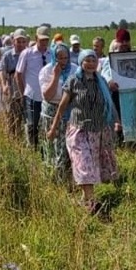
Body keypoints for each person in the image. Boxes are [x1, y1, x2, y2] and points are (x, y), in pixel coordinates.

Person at [46, 50, 121, 215]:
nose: (91, 64)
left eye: (93, 61)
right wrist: (53, 128)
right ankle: (92, 203)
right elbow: (62, 106)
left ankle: (85, 199)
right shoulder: (74, 81)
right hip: (78, 131)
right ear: (81, 62)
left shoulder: (101, 81)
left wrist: (116, 121)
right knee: (84, 164)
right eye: (87, 60)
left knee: (92, 166)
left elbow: (109, 103)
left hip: (98, 131)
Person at [39, 41, 77, 181]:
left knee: (67, 144)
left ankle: (66, 175)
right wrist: (56, 76)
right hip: (51, 110)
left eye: (66, 57)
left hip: (69, 110)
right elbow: (47, 95)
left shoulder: (74, 70)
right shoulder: (46, 70)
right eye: (60, 58)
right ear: (54, 57)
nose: (63, 61)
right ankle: (51, 175)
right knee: (52, 143)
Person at [15, 25, 53, 148]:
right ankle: (33, 151)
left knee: (46, 125)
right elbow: (18, 74)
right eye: (42, 40)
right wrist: (23, 93)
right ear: (36, 38)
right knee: (32, 125)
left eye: (46, 40)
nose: (44, 42)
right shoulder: (27, 53)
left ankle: (45, 151)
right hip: (32, 95)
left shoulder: (52, 54)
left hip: (48, 97)